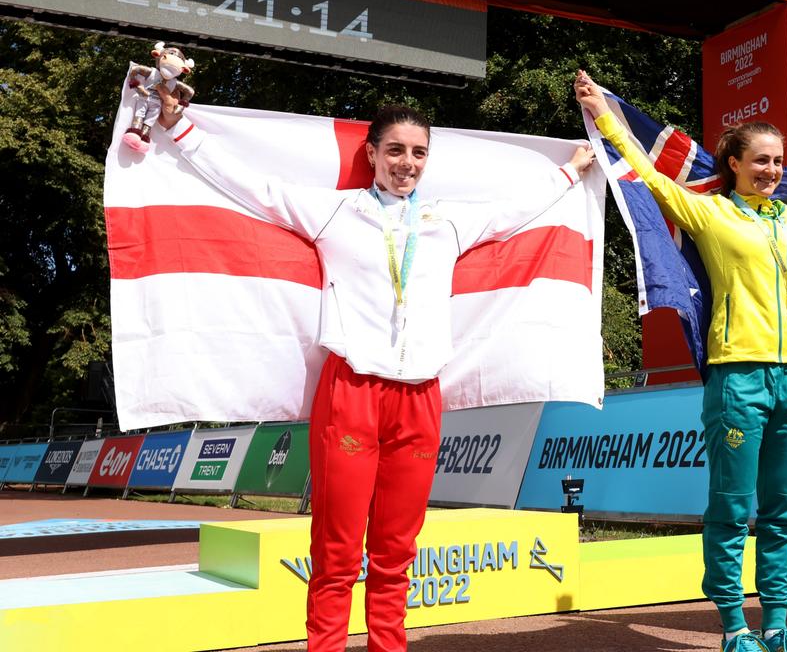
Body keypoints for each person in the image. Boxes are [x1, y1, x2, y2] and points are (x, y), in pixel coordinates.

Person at [152, 85, 594, 652]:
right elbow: (251, 188)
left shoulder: (448, 221)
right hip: (351, 393)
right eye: (395, 150)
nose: (406, 163)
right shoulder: (334, 211)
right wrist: (179, 129)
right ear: (372, 154)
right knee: (337, 552)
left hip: (420, 398)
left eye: (417, 152)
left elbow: (517, 208)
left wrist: (572, 170)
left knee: (395, 551)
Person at [575, 70, 787, 652]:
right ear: (733, 163)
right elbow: (647, 175)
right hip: (737, 376)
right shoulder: (711, 216)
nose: (772, 171)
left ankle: (777, 625)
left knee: (784, 510)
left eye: (778, 161)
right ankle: (733, 625)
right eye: (760, 160)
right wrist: (604, 115)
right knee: (731, 508)